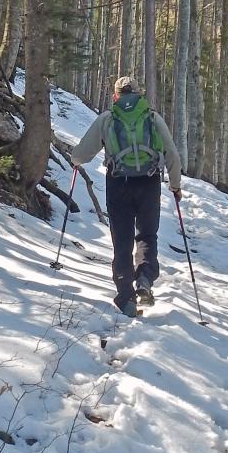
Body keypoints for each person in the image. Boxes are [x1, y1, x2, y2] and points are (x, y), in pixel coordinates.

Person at [71, 76, 182, 317]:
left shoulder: (108, 118)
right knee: (147, 234)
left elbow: (82, 153)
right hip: (149, 182)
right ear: (139, 94)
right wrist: (175, 185)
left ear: (116, 96)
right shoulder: (152, 118)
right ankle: (144, 278)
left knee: (121, 239)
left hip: (118, 182)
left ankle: (125, 297)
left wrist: (75, 160)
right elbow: (171, 153)